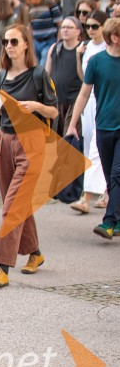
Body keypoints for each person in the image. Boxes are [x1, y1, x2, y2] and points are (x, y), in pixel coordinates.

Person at [0, 25, 58, 287]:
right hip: (5, 139)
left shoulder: (39, 74)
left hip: (31, 142)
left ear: (26, 44)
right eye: (5, 42)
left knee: (12, 205)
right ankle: (35, 253)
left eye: (14, 41)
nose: (9, 46)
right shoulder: (2, 73)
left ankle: (2, 267)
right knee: (18, 203)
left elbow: (54, 112)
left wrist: (36, 106)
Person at [67, 17, 120, 239]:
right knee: (110, 177)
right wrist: (72, 124)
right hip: (103, 127)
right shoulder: (97, 62)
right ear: (115, 37)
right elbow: (84, 93)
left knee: (118, 174)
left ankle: (108, 222)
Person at [71, 11, 109, 215]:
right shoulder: (86, 47)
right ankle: (105, 191)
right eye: (89, 26)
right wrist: (78, 56)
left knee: (98, 147)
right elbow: (83, 78)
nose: (91, 30)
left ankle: (86, 196)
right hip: (89, 98)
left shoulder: (109, 47)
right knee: (90, 147)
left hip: (105, 98)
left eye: (95, 26)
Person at [46, 17, 84, 138]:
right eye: (63, 27)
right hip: (58, 101)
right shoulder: (55, 48)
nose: (65, 30)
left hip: (74, 101)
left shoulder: (82, 49)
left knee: (69, 139)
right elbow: (47, 74)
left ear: (78, 31)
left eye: (69, 27)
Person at [21, 0, 62, 66]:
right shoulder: (29, 6)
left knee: (43, 66)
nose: (28, 1)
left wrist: (58, 41)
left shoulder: (49, 2)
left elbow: (59, 23)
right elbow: (29, 26)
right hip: (35, 41)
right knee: (34, 66)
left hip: (49, 40)